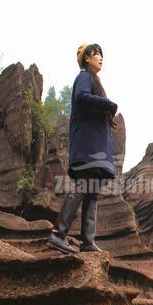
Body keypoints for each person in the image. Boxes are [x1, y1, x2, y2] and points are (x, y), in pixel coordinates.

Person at [47, 43, 119, 254]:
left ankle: (88, 242)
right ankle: (58, 234)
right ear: (86, 58)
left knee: (92, 192)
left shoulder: (94, 80)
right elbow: (81, 97)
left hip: (95, 146)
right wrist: (107, 103)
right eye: (97, 54)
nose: (101, 58)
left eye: (102, 55)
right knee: (83, 185)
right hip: (88, 145)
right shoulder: (84, 77)